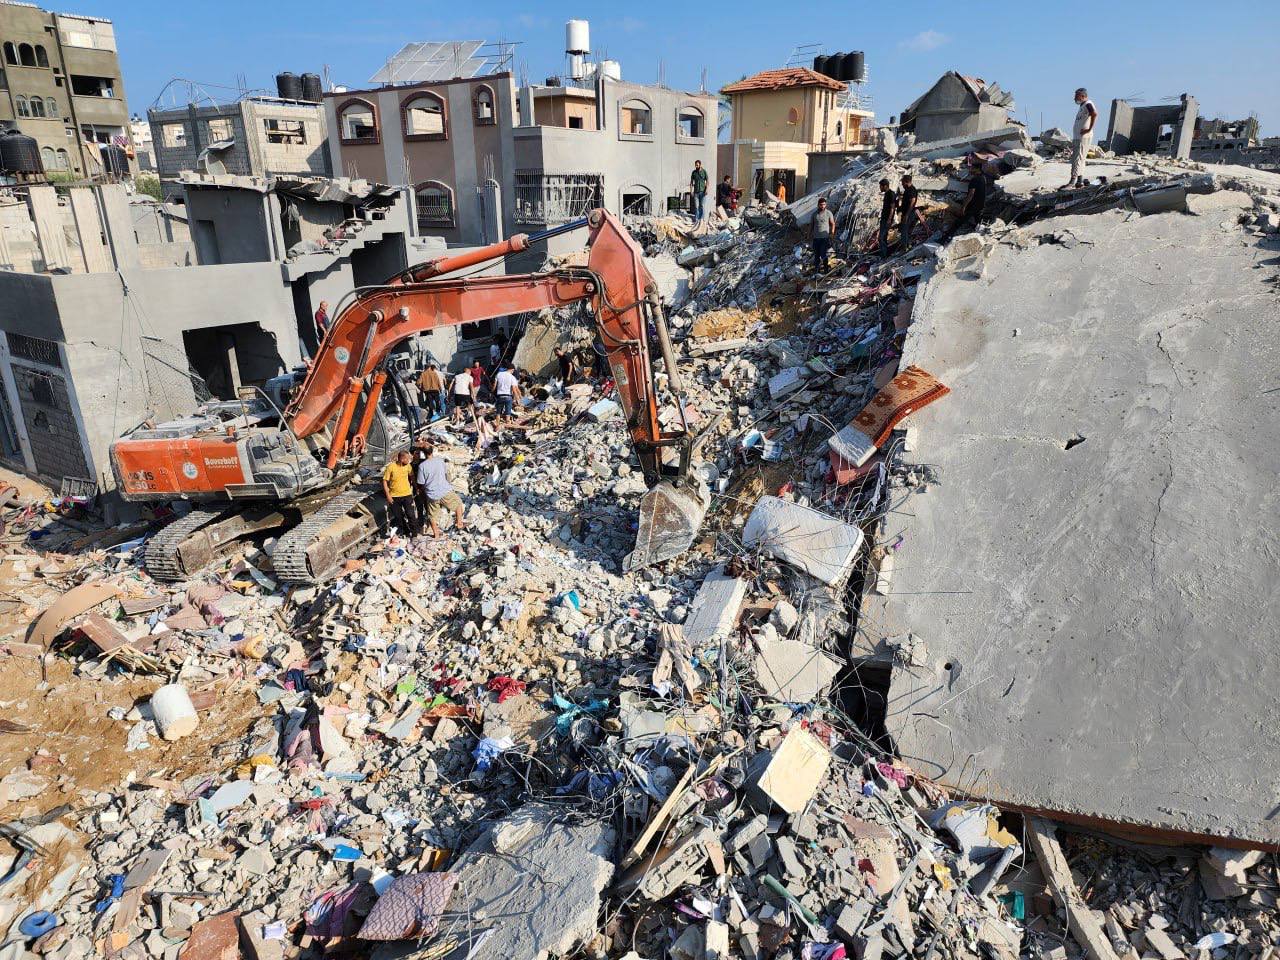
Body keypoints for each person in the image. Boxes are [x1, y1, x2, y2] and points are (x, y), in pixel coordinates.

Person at [416, 444, 466, 537]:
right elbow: (446, 474)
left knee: (432, 516)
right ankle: (459, 524)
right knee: (458, 505)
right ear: (432, 451)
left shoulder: (422, 466)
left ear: (423, 453)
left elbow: (421, 482)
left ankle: (437, 535)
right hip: (444, 490)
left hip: (432, 494)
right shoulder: (440, 461)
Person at [943, 160, 989, 240]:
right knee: (978, 221)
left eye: (971, 168)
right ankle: (982, 234)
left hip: (973, 205)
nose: (970, 169)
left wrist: (963, 207)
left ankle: (945, 238)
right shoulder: (982, 177)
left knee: (958, 222)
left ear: (977, 169)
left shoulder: (974, 180)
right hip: (980, 204)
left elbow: (971, 194)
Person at [381, 450, 419, 537]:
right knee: (399, 517)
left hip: (407, 494)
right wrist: (388, 496)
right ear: (402, 459)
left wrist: (416, 487)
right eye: (407, 459)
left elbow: (412, 476)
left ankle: (414, 534)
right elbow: (385, 481)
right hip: (394, 497)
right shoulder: (391, 467)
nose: (409, 460)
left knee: (410, 515)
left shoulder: (408, 466)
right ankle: (406, 531)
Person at [1069, 87, 1097, 189]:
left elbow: (1094, 113)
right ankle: (1079, 181)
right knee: (1080, 159)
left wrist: (1089, 129)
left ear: (1083, 96)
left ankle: (1072, 181)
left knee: (1077, 159)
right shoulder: (1082, 106)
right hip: (1078, 137)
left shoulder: (1088, 104)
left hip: (1083, 137)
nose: (1074, 99)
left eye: (1076, 96)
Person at [811, 197, 835, 273]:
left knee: (823, 254)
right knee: (816, 255)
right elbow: (811, 225)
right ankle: (816, 271)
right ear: (818, 205)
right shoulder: (814, 214)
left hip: (824, 238)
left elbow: (833, 224)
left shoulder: (828, 213)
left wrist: (832, 233)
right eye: (821, 205)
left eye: (824, 205)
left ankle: (826, 270)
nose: (822, 206)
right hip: (816, 238)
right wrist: (808, 235)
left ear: (826, 205)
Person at [877, 178, 898, 258]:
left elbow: (892, 207)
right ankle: (884, 254)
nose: (880, 188)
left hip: (887, 219)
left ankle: (884, 255)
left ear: (885, 186)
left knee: (881, 238)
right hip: (884, 218)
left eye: (881, 186)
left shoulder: (891, 194)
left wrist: (889, 219)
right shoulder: (886, 194)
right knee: (884, 237)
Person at [898, 174, 919, 251]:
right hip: (906, 213)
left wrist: (907, 215)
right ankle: (907, 245)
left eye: (903, 183)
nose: (902, 184)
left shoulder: (911, 190)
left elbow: (912, 201)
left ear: (906, 182)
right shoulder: (907, 190)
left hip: (909, 214)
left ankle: (905, 248)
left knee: (904, 230)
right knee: (906, 230)